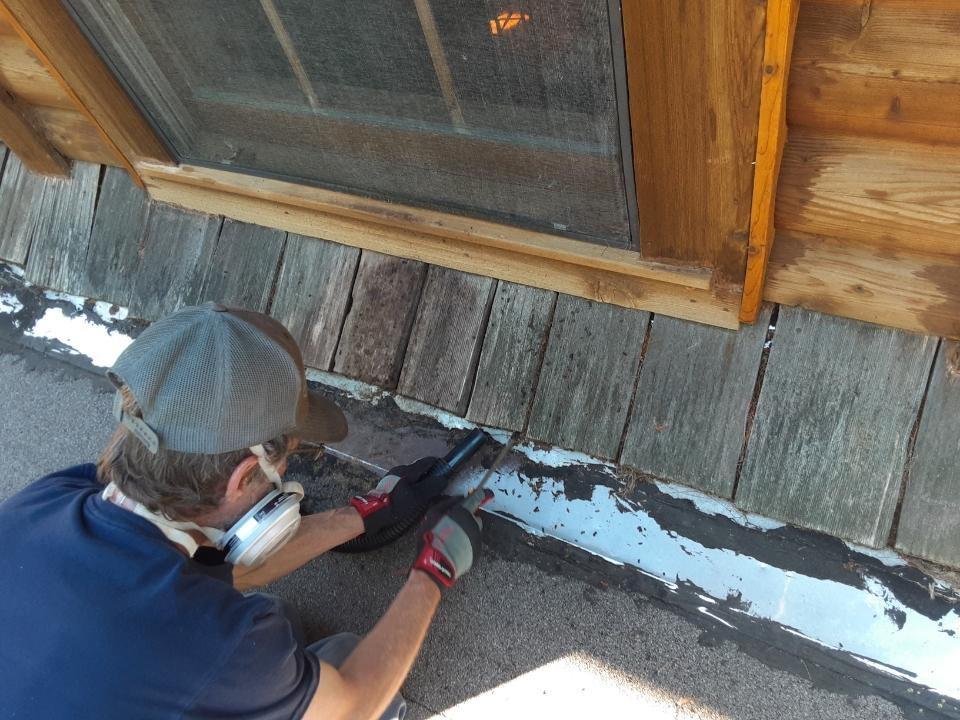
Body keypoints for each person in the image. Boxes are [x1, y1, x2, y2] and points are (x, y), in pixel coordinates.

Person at [0, 302, 491, 720]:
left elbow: (204, 581)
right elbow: (354, 702)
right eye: (288, 458)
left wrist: (362, 515)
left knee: (270, 642)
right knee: (344, 660)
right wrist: (434, 570)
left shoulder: (47, 501)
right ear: (240, 478)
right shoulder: (220, 640)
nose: (288, 469)